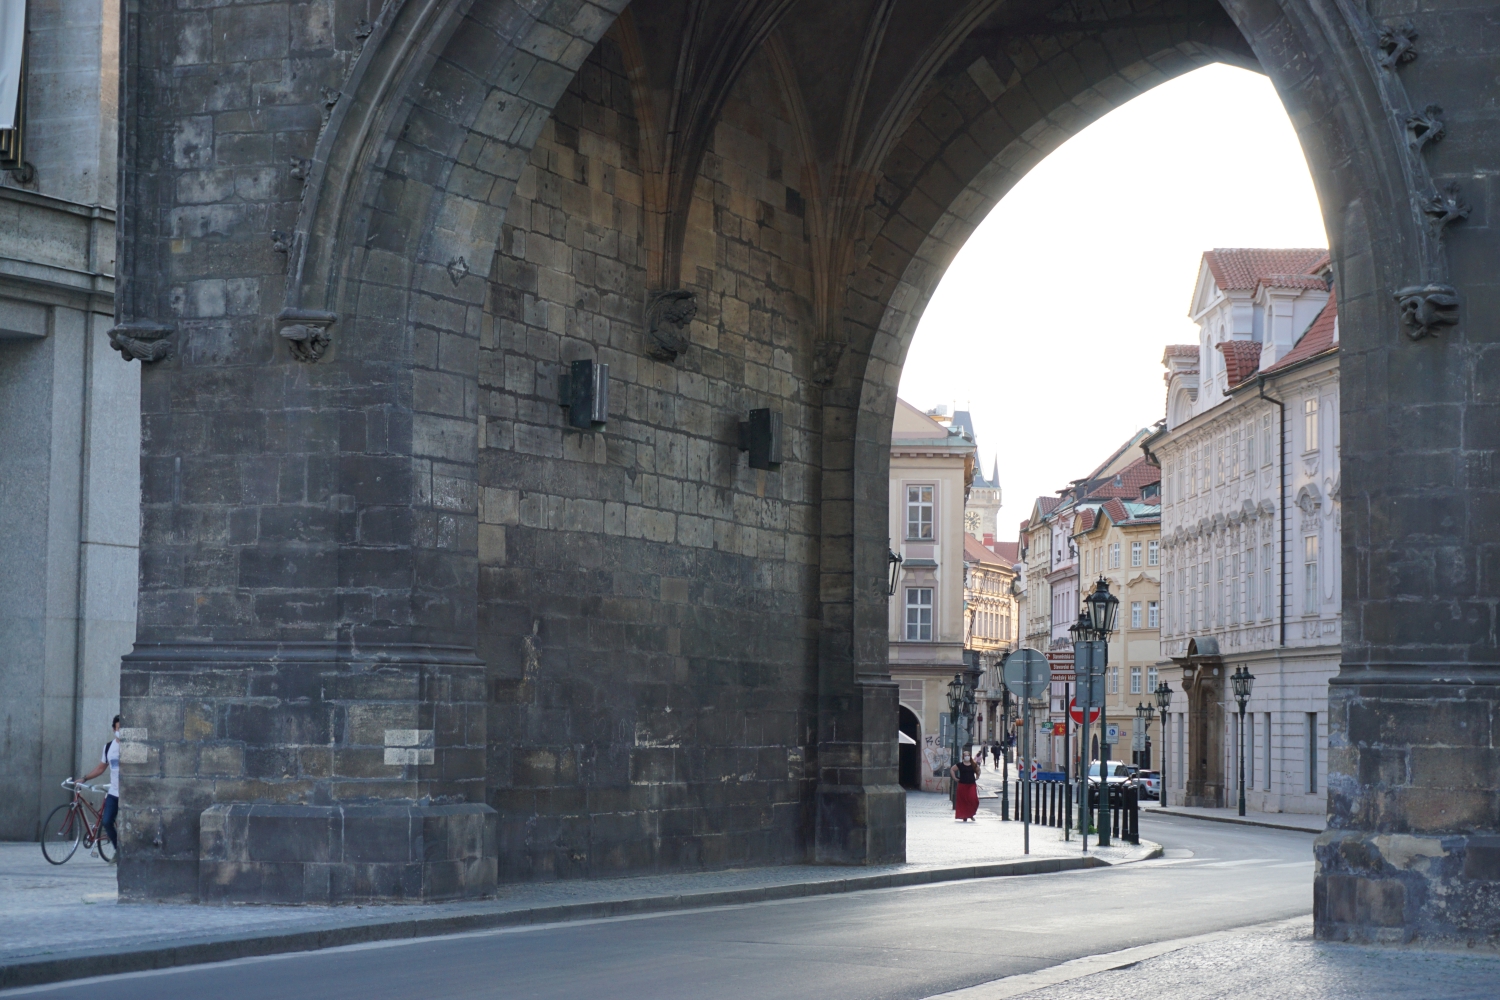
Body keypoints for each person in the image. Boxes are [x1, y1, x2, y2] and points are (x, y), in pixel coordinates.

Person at [76, 716, 121, 859]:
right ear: (114, 729)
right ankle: (118, 851)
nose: (121, 731)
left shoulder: (132, 746)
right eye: (119, 728)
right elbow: (101, 768)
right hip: (114, 792)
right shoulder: (109, 747)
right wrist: (85, 778)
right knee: (107, 821)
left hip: (130, 793)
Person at [951, 749, 980, 821]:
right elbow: (952, 769)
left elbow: (978, 770)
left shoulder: (973, 764)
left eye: (968, 755)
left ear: (970, 756)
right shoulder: (960, 765)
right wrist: (954, 778)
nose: (967, 756)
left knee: (973, 799)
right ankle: (965, 816)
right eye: (965, 755)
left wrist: (977, 777)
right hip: (962, 785)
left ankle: (971, 813)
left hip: (971, 785)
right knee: (963, 801)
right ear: (963, 756)